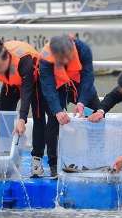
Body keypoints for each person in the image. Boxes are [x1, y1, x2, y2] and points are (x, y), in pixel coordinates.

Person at [0, 40, 51, 178]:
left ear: (7, 58)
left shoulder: (24, 61)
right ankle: (6, 157)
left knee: (38, 115)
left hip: (33, 80)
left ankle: (37, 159)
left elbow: (26, 93)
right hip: (12, 82)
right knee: (3, 114)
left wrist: (22, 119)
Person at [39, 34, 100, 178]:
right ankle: (54, 164)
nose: (66, 60)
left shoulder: (83, 49)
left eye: (68, 56)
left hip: (79, 85)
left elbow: (88, 77)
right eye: (61, 58)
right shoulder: (45, 58)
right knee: (54, 120)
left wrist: (82, 101)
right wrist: (58, 110)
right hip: (58, 86)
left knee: (95, 112)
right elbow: (48, 86)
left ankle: (95, 157)